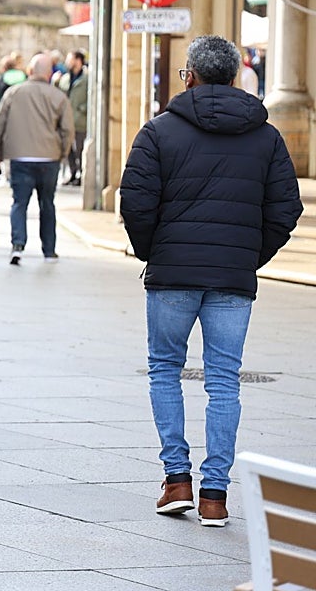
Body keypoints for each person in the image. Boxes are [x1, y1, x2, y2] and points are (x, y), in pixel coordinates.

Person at [119, 35, 301, 528]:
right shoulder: (267, 138)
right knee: (224, 382)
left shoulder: (157, 133)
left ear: (190, 76)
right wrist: (248, 256)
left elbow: (134, 204)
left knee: (164, 370)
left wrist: (155, 252)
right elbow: (286, 210)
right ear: (237, 76)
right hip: (232, 279)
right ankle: (215, 496)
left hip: (171, 273)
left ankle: (176, 480)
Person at [0, 53, 73, 265]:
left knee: (19, 202)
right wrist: (61, 153)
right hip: (49, 157)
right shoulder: (58, 97)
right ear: (49, 73)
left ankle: (18, 244)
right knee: (47, 203)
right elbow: (67, 130)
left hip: (20, 156)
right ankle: (49, 249)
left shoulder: (13, 93)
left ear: (30, 71)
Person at [55, 50, 88, 186]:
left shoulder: (86, 80)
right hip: (66, 120)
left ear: (78, 61)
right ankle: (73, 172)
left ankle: (81, 173)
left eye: (71, 59)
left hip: (80, 120)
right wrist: (55, 83)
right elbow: (57, 96)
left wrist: (83, 109)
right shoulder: (64, 79)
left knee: (79, 149)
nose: (68, 63)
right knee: (67, 149)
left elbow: (92, 97)